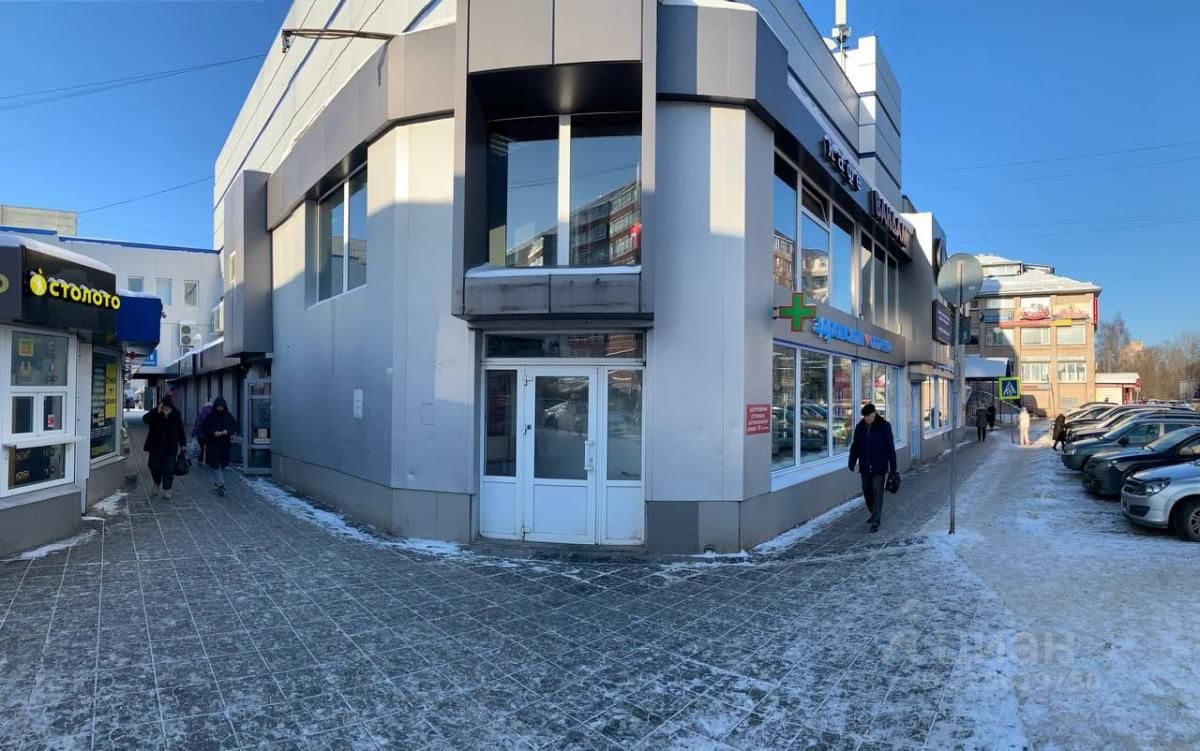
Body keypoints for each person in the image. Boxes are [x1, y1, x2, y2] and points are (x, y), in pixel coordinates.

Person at [848, 403, 897, 533]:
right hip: (865, 466)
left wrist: (893, 467)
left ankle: (875, 521)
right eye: (865, 416)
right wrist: (852, 461)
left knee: (877, 491)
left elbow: (890, 448)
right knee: (866, 490)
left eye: (869, 416)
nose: (867, 418)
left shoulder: (884, 426)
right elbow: (855, 446)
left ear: (874, 413)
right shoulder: (860, 427)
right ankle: (874, 513)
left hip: (879, 466)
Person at [142, 395, 187, 499]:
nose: (165, 407)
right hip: (155, 446)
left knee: (168, 469)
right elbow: (145, 419)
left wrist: (183, 444)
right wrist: (156, 411)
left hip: (170, 447)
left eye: (167, 406)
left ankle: (167, 489)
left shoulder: (176, 413)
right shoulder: (156, 413)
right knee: (154, 466)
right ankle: (156, 483)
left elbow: (180, 430)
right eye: (163, 405)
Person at [203, 396, 239, 496]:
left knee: (222, 464)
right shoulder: (210, 416)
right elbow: (205, 428)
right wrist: (214, 433)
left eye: (221, 407)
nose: (220, 408)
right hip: (213, 444)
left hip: (224, 444)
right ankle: (221, 483)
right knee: (215, 463)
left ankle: (217, 481)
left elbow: (234, 426)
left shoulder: (228, 416)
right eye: (218, 407)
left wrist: (227, 431)